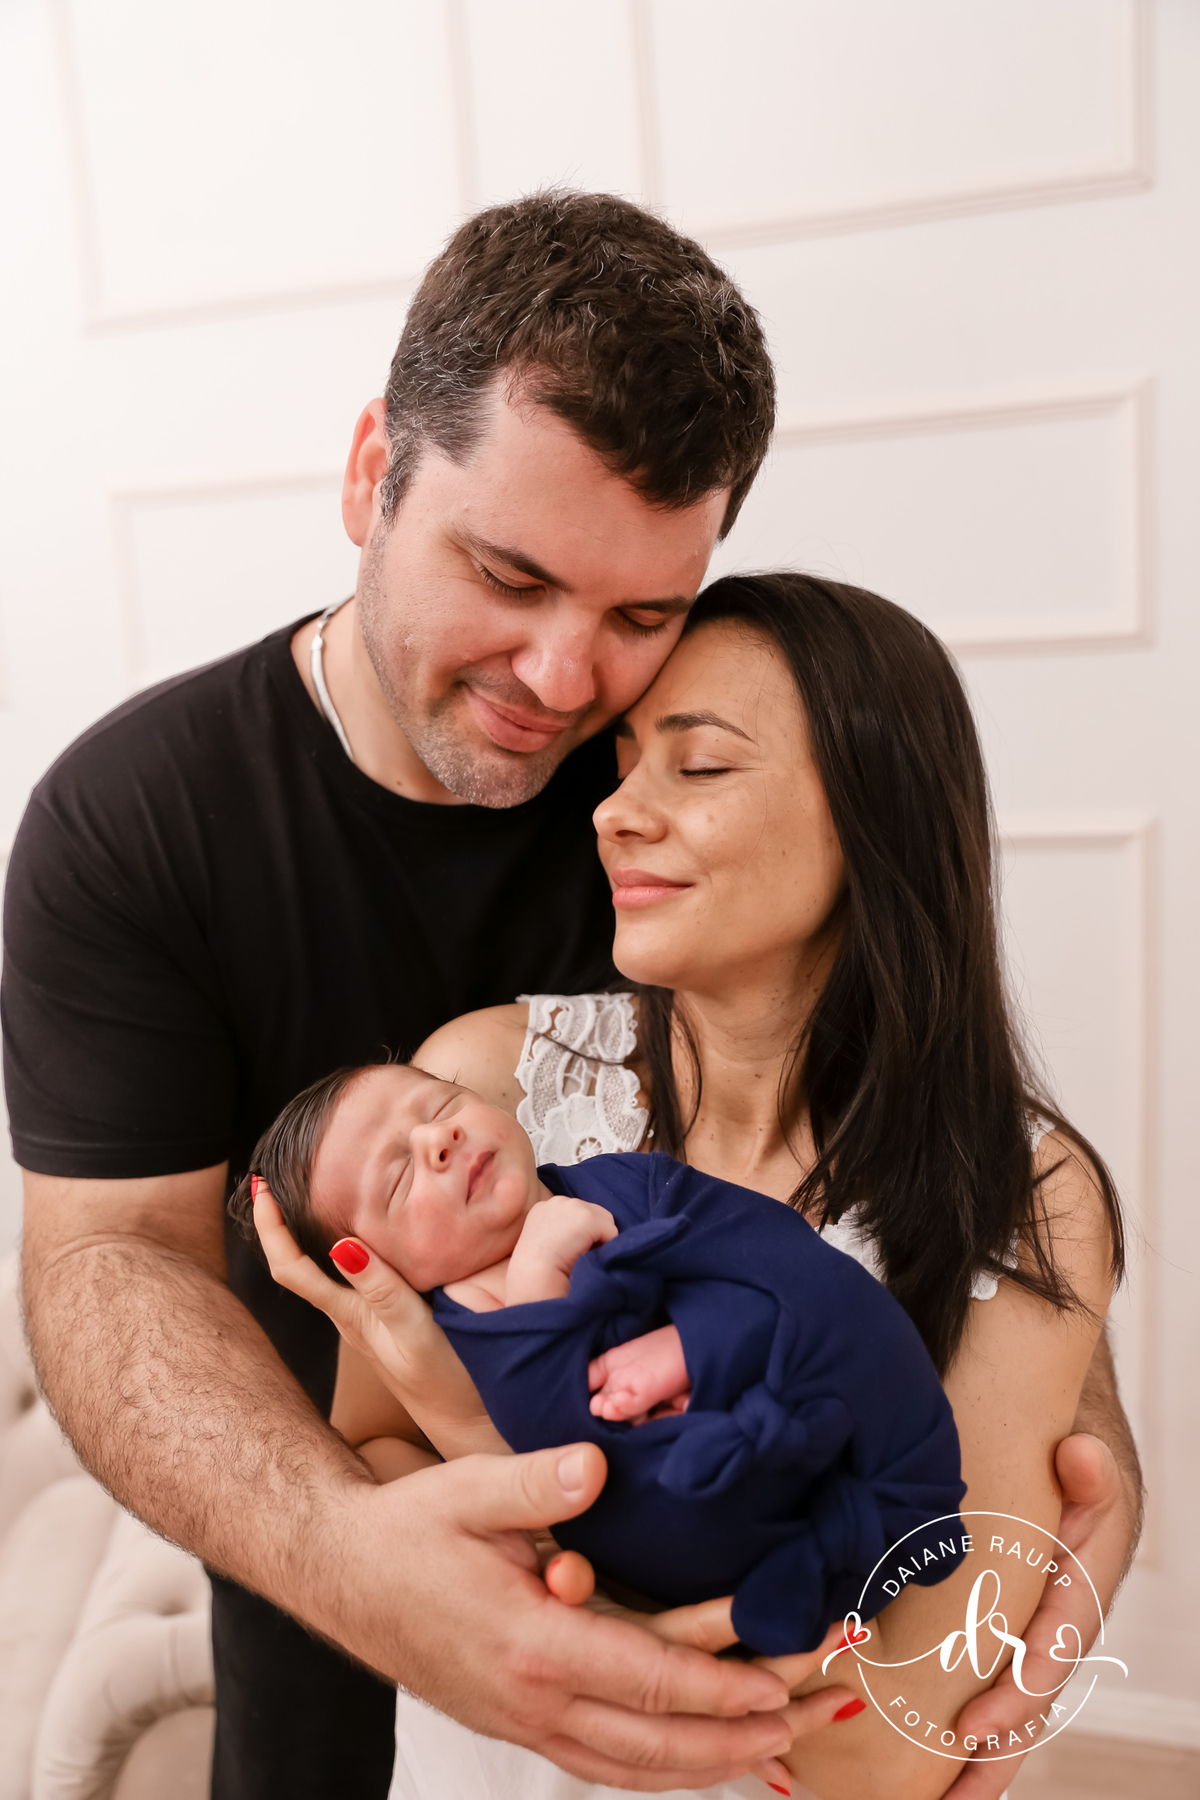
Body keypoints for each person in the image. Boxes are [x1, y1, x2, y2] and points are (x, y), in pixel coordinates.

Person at [4, 191, 820, 1797]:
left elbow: (939, 1106)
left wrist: (1075, 1430)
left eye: (641, 616)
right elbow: (110, 1257)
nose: (565, 681)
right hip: (311, 1519)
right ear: (372, 470)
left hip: (713, 1500)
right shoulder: (132, 822)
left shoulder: (712, 776)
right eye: (507, 574)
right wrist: (347, 1550)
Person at [257, 573, 1144, 1800]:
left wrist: (511, 1504)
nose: (614, 812)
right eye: (624, 763)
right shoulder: (476, 1090)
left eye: (700, 766)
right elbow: (373, 1450)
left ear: (875, 813)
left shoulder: (1025, 1193)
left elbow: (880, 1743)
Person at [228, 1061, 967, 1657]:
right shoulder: (453, 1333)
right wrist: (537, 1285)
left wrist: (699, 1343)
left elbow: (769, 1251)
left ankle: (887, 1505)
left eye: (440, 1103)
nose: (438, 1139)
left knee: (839, 1307)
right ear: (376, 1267)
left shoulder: (626, 1181)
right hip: (732, 1543)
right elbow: (570, 1464)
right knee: (644, 1506)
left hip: (855, 1429)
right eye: (398, 1179)